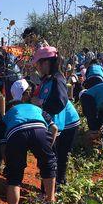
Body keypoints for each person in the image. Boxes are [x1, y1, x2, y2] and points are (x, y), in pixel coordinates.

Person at [3, 79, 58, 204]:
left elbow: (3, 143)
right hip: (39, 130)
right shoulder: (37, 108)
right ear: (27, 95)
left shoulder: (8, 114)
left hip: (16, 134)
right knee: (48, 165)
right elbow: (54, 128)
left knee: (14, 178)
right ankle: (50, 202)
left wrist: (8, 160)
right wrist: (48, 149)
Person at [31, 46, 80, 189]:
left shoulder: (58, 79)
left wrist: (40, 102)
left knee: (54, 156)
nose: (37, 68)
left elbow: (59, 103)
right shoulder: (47, 79)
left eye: (38, 64)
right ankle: (58, 185)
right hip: (57, 123)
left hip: (67, 123)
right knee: (56, 155)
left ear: (46, 63)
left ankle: (51, 190)